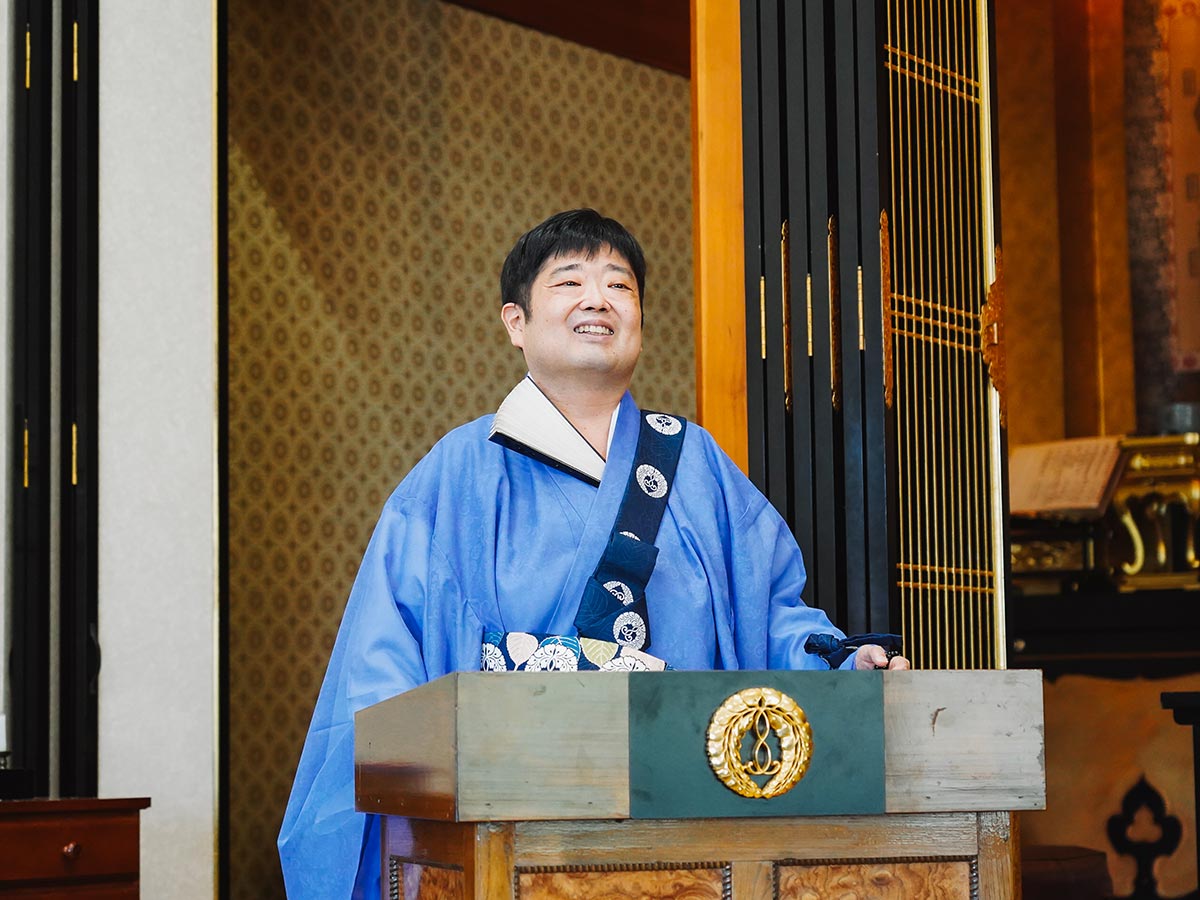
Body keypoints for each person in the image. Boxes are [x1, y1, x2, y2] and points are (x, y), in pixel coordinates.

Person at [277, 209, 909, 898]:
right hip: (513, 829)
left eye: (620, 285)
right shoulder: (457, 473)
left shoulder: (696, 463)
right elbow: (384, 665)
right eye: (569, 281)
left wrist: (840, 661)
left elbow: (771, 610)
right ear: (515, 322)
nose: (598, 299)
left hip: (688, 824)